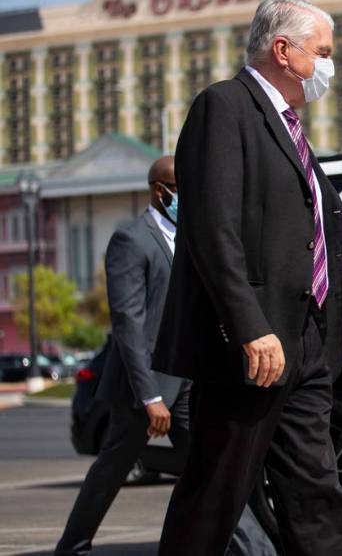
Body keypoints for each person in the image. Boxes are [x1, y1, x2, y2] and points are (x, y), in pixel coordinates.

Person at [152, 0, 342, 555]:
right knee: (217, 491)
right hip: (254, 347)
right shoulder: (225, 106)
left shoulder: (290, 126)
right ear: (284, 50)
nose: (329, 66)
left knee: (316, 490)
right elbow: (212, 229)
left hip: (307, 340)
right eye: (324, 52)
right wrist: (248, 326)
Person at [54, 157, 274, 556]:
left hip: (188, 377)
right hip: (146, 386)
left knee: (213, 466)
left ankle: (257, 550)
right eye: (181, 188)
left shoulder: (192, 237)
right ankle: (73, 546)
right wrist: (150, 397)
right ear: (160, 191)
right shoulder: (130, 241)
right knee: (112, 469)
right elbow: (129, 323)